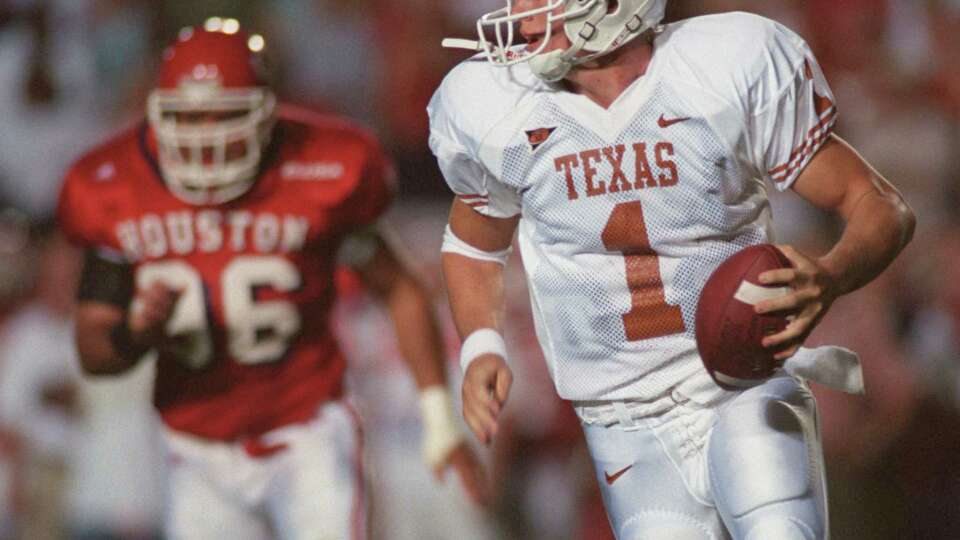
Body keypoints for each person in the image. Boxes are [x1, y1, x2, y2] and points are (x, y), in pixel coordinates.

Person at [429, 1, 915, 538]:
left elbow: (878, 204)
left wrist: (832, 274)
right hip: (621, 419)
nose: (520, 15)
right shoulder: (502, 106)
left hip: (740, 384)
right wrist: (481, 345)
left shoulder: (715, 69)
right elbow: (473, 247)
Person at [58, 24, 485, 539]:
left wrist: (437, 417)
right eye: (189, 117)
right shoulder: (111, 184)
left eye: (225, 116)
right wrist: (137, 332)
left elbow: (396, 287)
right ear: (157, 114)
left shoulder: (324, 165)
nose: (207, 137)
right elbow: (93, 351)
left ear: (265, 114)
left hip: (307, 427)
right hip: (192, 440)